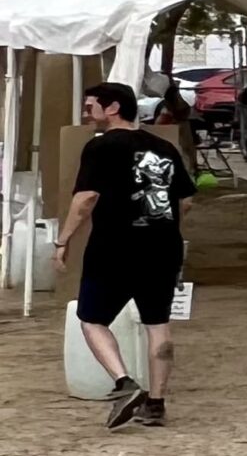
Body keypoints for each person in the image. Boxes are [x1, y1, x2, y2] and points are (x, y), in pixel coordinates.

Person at [53, 82, 190, 429]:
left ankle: (124, 382)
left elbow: (86, 198)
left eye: (91, 106)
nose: (87, 113)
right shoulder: (165, 147)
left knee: (92, 318)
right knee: (157, 323)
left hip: (115, 246)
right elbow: (186, 200)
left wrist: (63, 240)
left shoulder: (101, 147)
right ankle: (156, 403)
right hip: (163, 245)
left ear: (112, 108)